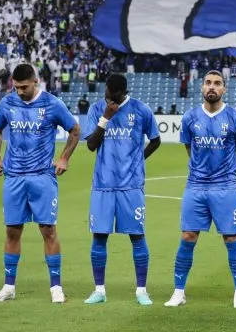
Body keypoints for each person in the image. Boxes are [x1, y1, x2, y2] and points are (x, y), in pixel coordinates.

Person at [0, 64, 81, 304]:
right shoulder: (8, 103)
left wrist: (64, 158)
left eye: (24, 87)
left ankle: (56, 287)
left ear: (35, 81)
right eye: (16, 87)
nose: (19, 91)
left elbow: (75, 130)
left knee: (48, 230)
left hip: (42, 177)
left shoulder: (52, 104)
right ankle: (9, 287)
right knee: (12, 230)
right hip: (14, 176)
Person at [164, 70, 236, 308]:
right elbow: (189, 149)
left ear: (224, 89)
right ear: (202, 87)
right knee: (187, 236)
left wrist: (230, 173)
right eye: (208, 83)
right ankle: (179, 292)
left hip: (225, 187)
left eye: (217, 83)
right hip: (196, 186)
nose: (212, 87)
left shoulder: (235, 118)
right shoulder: (190, 118)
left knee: (232, 237)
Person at [80, 74, 163, 305]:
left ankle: (141, 291)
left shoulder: (140, 110)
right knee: (99, 236)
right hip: (103, 185)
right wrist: (105, 118)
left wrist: (139, 160)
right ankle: (99, 290)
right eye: (106, 93)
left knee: (137, 235)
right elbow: (90, 145)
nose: (107, 98)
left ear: (122, 92)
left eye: (111, 94)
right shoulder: (98, 109)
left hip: (131, 186)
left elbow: (155, 140)